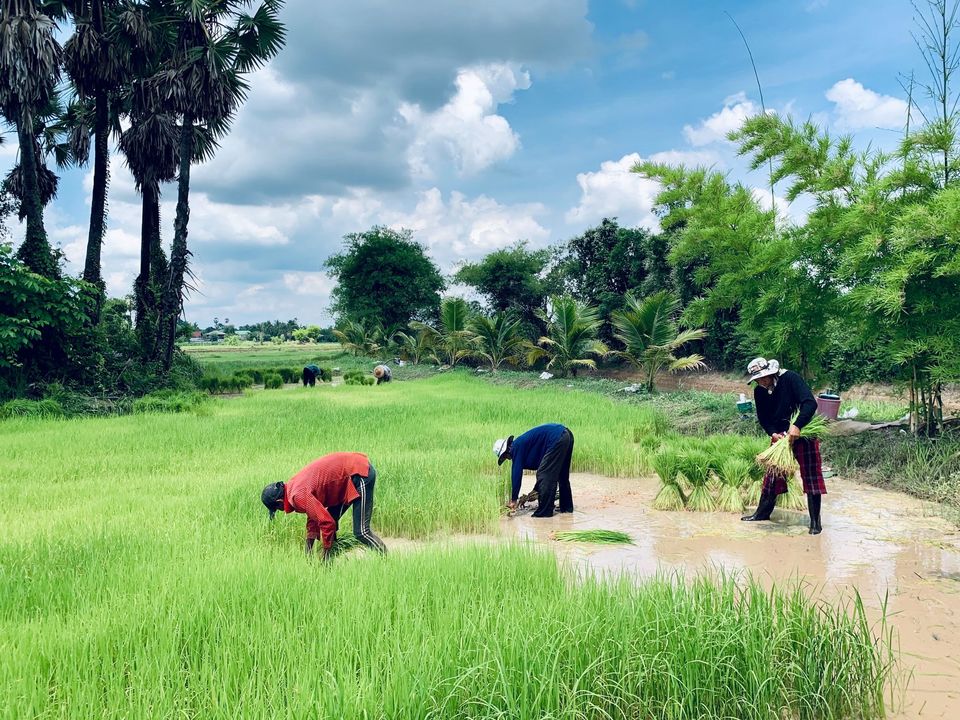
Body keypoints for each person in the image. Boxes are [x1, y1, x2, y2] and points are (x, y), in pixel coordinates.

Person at [741, 357, 827, 535]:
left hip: (802, 434)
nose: (761, 382)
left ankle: (815, 523)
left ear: (771, 373)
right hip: (780, 437)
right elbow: (764, 418)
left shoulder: (790, 379)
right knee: (773, 475)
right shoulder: (760, 391)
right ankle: (762, 513)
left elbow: (810, 403)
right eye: (757, 379)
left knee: (811, 476)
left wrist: (797, 426)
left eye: (763, 378)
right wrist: (773, 433)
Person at [261, 452, 387, 559]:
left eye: (277, 509)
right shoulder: (293, 487)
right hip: (345, 478)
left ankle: (386, 559)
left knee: (361, 532)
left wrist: (324, 556)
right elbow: (314, 516)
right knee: (332, 518)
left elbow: (327, 523)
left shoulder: (296, 496)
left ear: (279, 502)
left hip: (358, 473)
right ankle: (332, 560)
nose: (281, 510)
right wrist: (308, 551)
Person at [493, 423, 574, 518]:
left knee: (543, 474)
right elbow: (545, 467)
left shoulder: (516, 447)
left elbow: (516, 475)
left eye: (504, 456)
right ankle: (566, 508)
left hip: (557, 438)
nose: (507, 458)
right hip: (566, 435)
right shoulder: (522, 446)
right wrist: (535, 490)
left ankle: (545, 512)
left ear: (507, 450)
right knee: (562, 475)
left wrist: (514, 500)